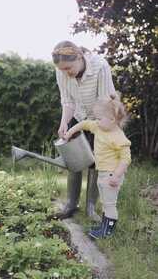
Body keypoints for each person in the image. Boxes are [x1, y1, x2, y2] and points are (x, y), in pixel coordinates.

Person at [52, 40, 116, 220]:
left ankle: (90, 208)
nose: (66, 73)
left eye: (69, 68)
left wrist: (98, 130)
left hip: (101, 118)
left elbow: (105, 101)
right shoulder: (61, 71)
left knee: (97, 162)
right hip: (78, 116)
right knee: (74, 160)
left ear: (79, 57)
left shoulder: (100, 66)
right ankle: (71, 204)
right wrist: (64, 122)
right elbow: (67, 101)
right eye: (62, 69)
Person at [64, 94, 131, 238]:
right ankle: (104, 226)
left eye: (100, 119)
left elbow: (126, 159)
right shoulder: (99, 127)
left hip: (112, 175)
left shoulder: (119, 138)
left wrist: (116, 176)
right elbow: (84, 124)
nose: (97, 121)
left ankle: (107, 232)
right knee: (105, 202)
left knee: (109, 204)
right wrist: (70, 132)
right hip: (102, 173)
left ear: (112, 120)